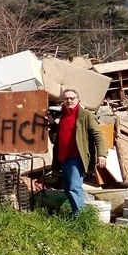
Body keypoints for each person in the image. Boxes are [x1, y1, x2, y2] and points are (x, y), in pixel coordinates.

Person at [50, 89, 107, 217]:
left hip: (76, 157)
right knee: (67, 188)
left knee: (74, 187)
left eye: (72, 98)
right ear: (62, 101)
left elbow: (97, 135)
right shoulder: (64, 116)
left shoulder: (85, 115)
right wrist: (53, 124)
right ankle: (76, 213)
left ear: (78, 100)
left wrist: (102, 154)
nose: (69, 100)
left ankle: (80, 217)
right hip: (64, 158)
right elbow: (62, 134)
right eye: (66, 98)